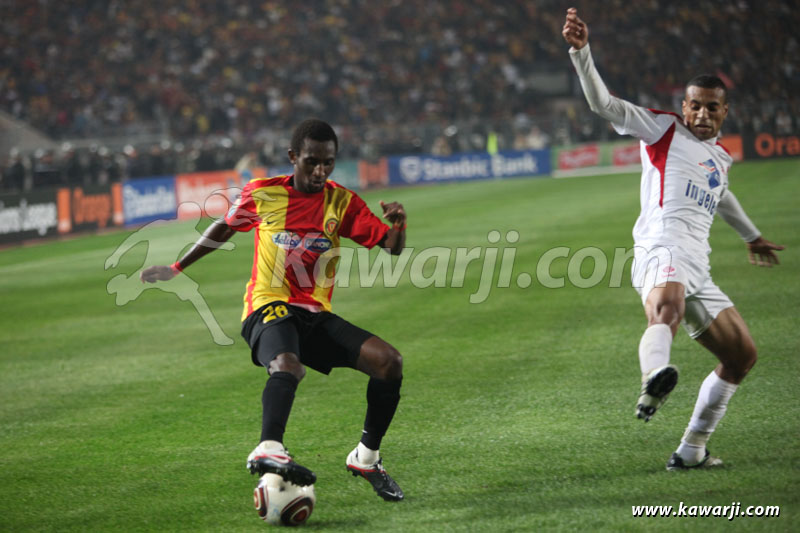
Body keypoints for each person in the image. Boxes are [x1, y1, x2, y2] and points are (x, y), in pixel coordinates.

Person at [562, 8, 784, 470]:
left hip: (696, 263)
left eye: (712, 106)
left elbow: (723, 199)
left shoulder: (719, 158)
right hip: (661, 247)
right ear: (684, 107)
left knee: (741, 356)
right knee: (667, 309)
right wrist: (582, 52)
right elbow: (603, 104)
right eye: (695, 105)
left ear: (725, 111)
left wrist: (753, 236)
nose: (702, 113)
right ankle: (653, 378)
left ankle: (692, 450)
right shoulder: (662, 129)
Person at [140, 118, 407, 500]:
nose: (320, 171)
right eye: (312, 161)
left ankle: (366, 457)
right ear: (292, 157)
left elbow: (391, 246)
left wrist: (399, 224)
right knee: (287, 365)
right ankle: (270, 447)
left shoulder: (341, 202)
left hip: (314, 315)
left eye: (328, 163)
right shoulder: (263, 194)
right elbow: (224, 227)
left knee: (389, 363)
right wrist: (177, 267)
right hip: (267, 306)